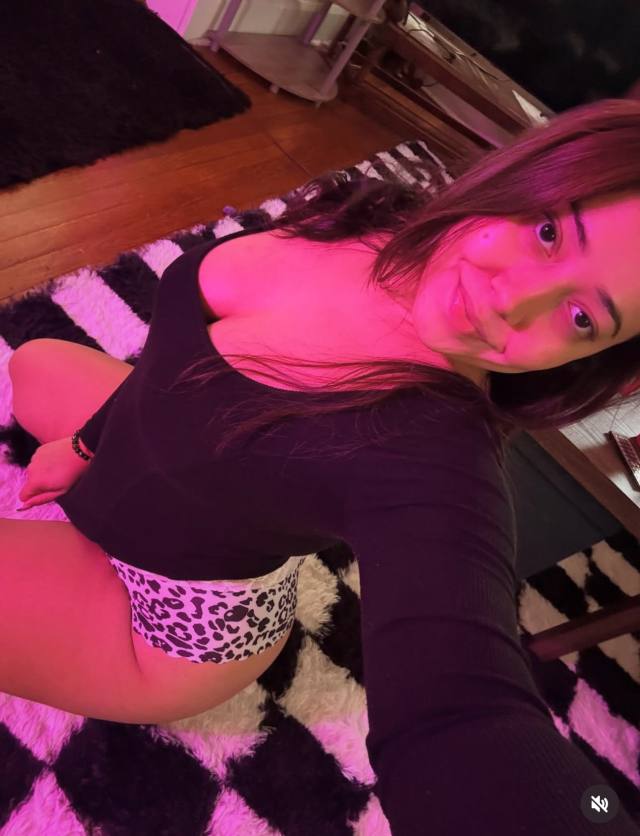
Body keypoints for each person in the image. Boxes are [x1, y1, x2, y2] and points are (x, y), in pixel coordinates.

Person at [7, 97, 640, 834]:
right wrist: (85, 445)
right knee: (34, 365)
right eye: (549, 232)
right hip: (160, 466)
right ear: (522, 176)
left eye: (582, 317)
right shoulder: (373, 217)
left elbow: (463, 714)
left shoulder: (437, 461)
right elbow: (165, 371)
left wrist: (592, 812)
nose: (517, 302)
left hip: (174, 621)